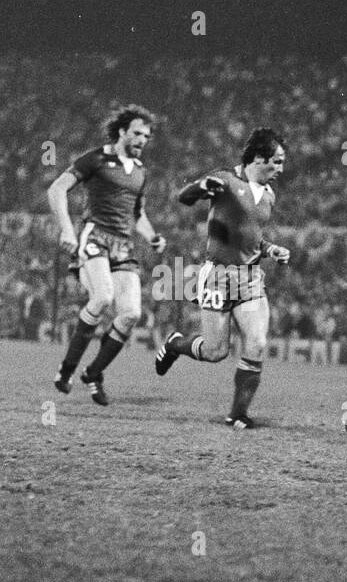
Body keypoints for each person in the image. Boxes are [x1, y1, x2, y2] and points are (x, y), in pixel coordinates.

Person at [154, 128, 290, 429]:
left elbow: (252, 240)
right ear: (258, 158)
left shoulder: (268, 195)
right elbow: (184, 197)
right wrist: (201, 185)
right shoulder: (226, 181)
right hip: (216, 276)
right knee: (216, 352)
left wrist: (271, 249)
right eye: (277, 161)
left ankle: (237, 413)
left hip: (250, 278)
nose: (281, 169)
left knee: (256, 343)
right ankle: (176, 344)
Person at [48, 105, 167, 405]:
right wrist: (66, 229)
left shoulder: (140, 172)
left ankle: (94, 373)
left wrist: (152, 236)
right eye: (138, 133)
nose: (143, 140)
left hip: (123, 244)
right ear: (123, 132)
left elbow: (137, 214)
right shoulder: (96, 158)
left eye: (147, 136)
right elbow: (57, 189)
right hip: (94, 235)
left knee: (131, 314)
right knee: (101, 297)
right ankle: (66, 370)